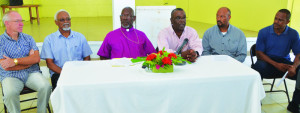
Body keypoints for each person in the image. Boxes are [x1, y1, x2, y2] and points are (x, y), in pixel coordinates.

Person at [0, 11, 51, 113]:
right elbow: (6, 66)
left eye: (21, 21)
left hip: (31, 73)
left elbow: (36, 59)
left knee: (46, 86)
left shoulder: (28, 38)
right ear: (7, 23)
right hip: (10, 75)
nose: (22, 23)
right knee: (10, 93)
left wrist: (14, 61)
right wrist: (28, 61)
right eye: (17, 21)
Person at [251, 9, 300, 113]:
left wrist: (294, 67)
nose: (276, 22)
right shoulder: (264, 32)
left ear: (288, 22)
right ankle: (255, 101)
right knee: (257, 67)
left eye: (280, 20)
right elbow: (259, 54)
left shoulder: (293, 34)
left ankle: (295, 104)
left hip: (285, 65)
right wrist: (276, 65)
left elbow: (299, 54)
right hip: (268, 62)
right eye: (275, 18)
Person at [40, 9, 92, 90]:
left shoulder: (80, 37)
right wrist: (66, 73)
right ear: (56, 22)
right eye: (62, 20)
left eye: (68, 19)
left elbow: (87, 57)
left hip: (79, 72)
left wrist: (80, 71)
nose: (66, 22)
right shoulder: (49, 40)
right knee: (61, 91)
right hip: (59, 73)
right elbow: (50, 64)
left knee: (87, 88)